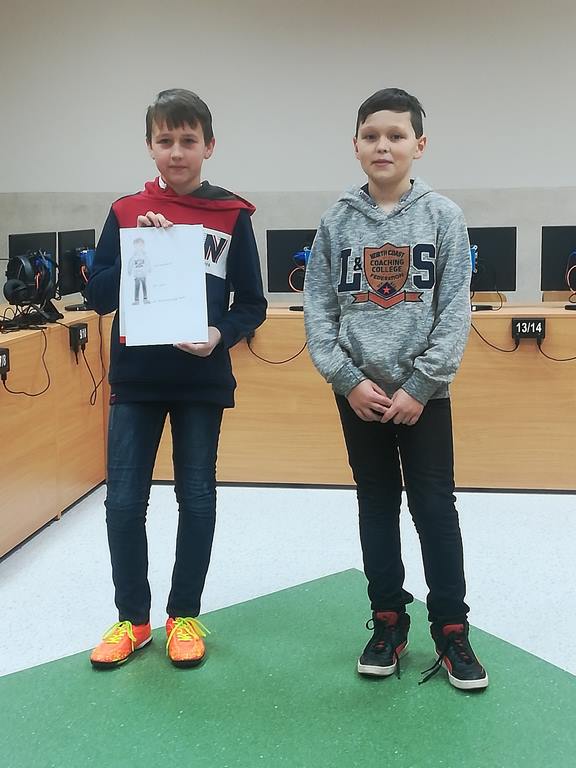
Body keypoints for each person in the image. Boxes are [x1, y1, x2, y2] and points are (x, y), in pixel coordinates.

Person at [303, 88, 488, 690]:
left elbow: (454, 310)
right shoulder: (336, 221)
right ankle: (388, 620)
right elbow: (318, 311)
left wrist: (421, 385)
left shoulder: (443, 217)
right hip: (359, 396)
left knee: (434, 508)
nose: (383, 145)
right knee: (377, 505)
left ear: (419, 145)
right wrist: (348, 380)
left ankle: (452, 628)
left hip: (423, 398)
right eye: (372, 135)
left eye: (396, 135)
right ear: (356, 145)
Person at [86, 88, 267, 669]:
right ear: (150, 146)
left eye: (188, 140)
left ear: (209, 146)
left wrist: (220, 334)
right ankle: (133, 620)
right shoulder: (125, 212)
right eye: (165, 141)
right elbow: (97, 296)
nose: (177, 152)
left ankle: (183, 614)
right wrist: (137, 249)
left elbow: (253, 303)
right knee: (123, 503)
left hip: (200, 380)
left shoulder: (232, 215)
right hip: (136, 380)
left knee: (196, 498)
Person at [128, 237, 151, 304]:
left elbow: (147, 262)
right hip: (137, 275)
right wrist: (129, 270)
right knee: (137, 287)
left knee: (144, 287)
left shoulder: (144, 255)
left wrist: (149, 268)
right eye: (137, 245)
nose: (139, 247)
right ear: (134, 246)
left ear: (143, 246)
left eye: (140, 245)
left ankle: (145, 299)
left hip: (143, 274)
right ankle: (136, 300)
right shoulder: (134, 256)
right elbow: (130, 263)